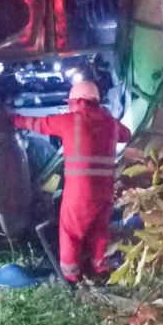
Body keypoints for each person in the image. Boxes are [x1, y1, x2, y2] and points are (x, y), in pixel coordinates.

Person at [11, 80, 131, 283]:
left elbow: (37, 124)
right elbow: (126, 134)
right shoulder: (110, 122)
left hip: (79, 193)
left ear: (75, 101)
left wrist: (12, 119)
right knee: (99, 231)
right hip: (105, 192)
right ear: (96, 100)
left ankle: (71, 275)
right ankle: (100, 267)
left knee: (70, 232)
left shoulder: (69, 120)